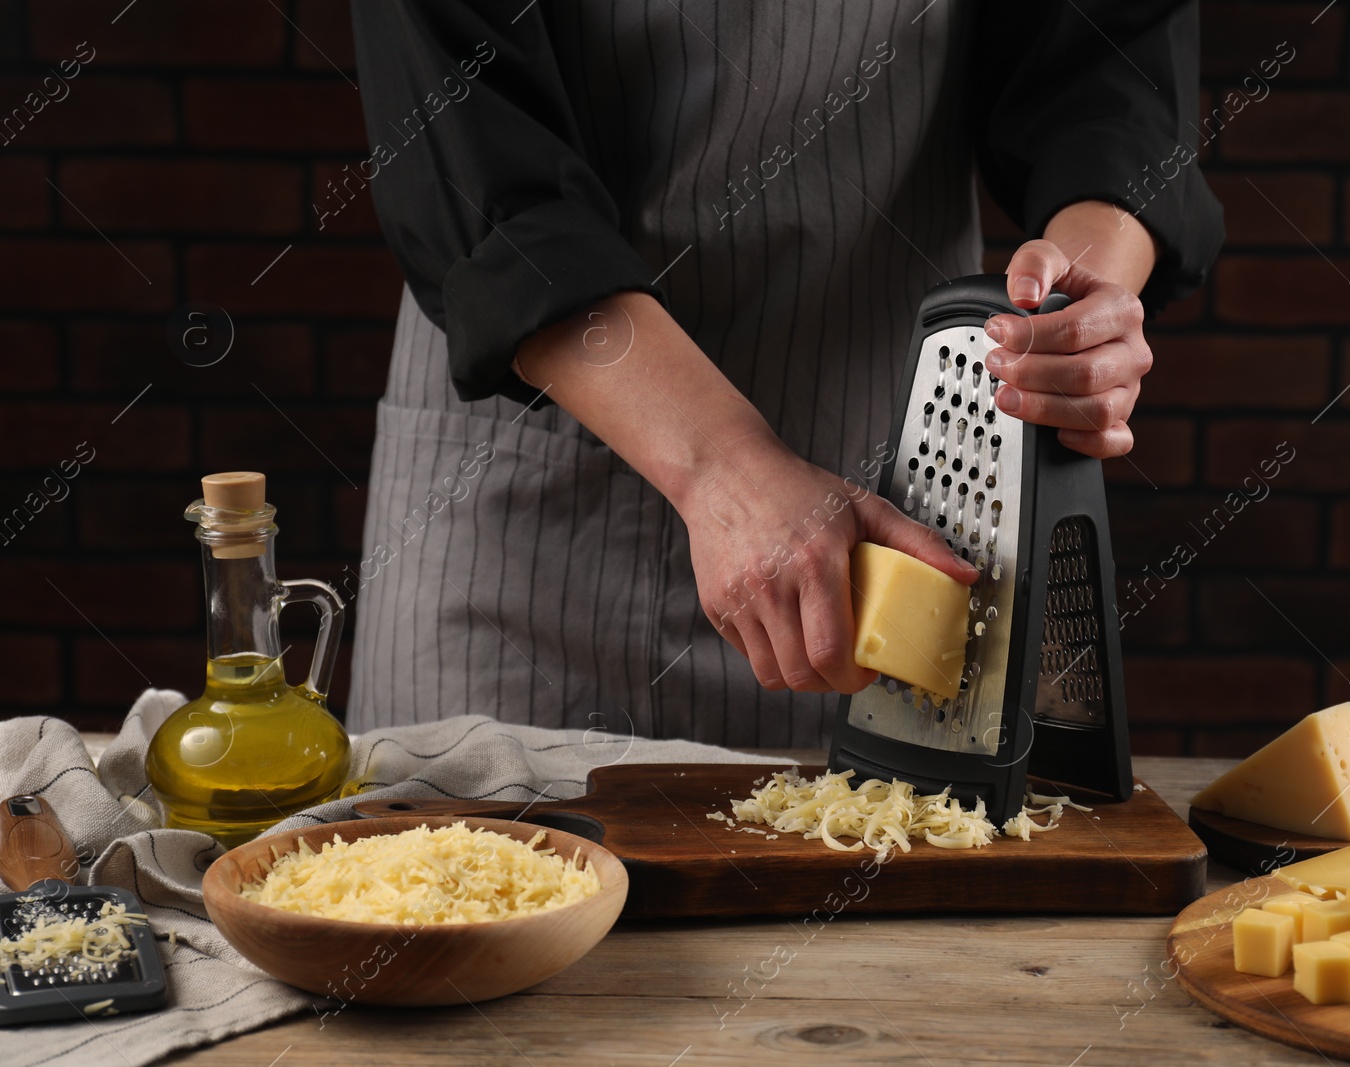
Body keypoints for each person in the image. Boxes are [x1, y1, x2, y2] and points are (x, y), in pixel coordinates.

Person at [344, 0, 1223, 747]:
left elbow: (1105, 67)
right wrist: (722, 465)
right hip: (517, 527)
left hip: (870, 533)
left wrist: (1079, 299)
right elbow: (466, 147)